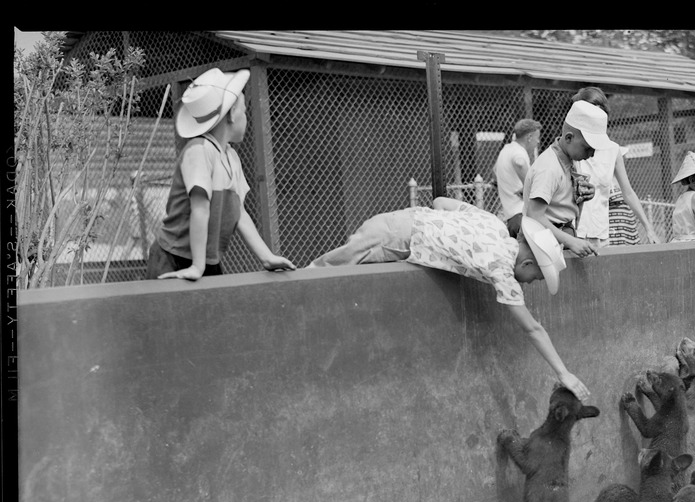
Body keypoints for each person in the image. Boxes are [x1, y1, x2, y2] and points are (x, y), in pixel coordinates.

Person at [307, 197, 591, 402]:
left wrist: (447, 238)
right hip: (393, 240)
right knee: (316, 277)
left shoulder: (492, 223)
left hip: (395, 221)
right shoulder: (501, 270)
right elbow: (532, 328)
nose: (530, 283)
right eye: (536, 278)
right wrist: (563, 372)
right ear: (528, 264)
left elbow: (442, 201)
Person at [149, 68, 296, 281]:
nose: (246, 117)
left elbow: (239, 213)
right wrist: (197, 267)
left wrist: (267, 257)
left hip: (207, 261)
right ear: (231, 114)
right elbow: (200, 208)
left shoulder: (231, 157)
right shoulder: (198, 150)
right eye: (244, 111)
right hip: (174, 258)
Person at [515, 100, 610, 267]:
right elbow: (534, 216)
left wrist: (583, 193)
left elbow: (560, 198)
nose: (592, 154)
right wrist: (572, 242)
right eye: (588, 148)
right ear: (568, 138)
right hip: (538, 242)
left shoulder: (570, 159)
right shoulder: (549, 167)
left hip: (558, 236)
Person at [570, 87, 659, 250]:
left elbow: (628, 192)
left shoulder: (612, 150)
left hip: (601, 234)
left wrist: (649, 228)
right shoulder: (570, 147)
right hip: (573, 233)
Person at [494, 118, 541, 238]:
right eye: (537, 138)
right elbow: (519, 162)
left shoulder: (506, 149)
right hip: (521, 216)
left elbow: (494, 172)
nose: (538, 141)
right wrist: (528, 186)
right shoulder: (519, 152)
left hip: (512, 218)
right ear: (529, 137)